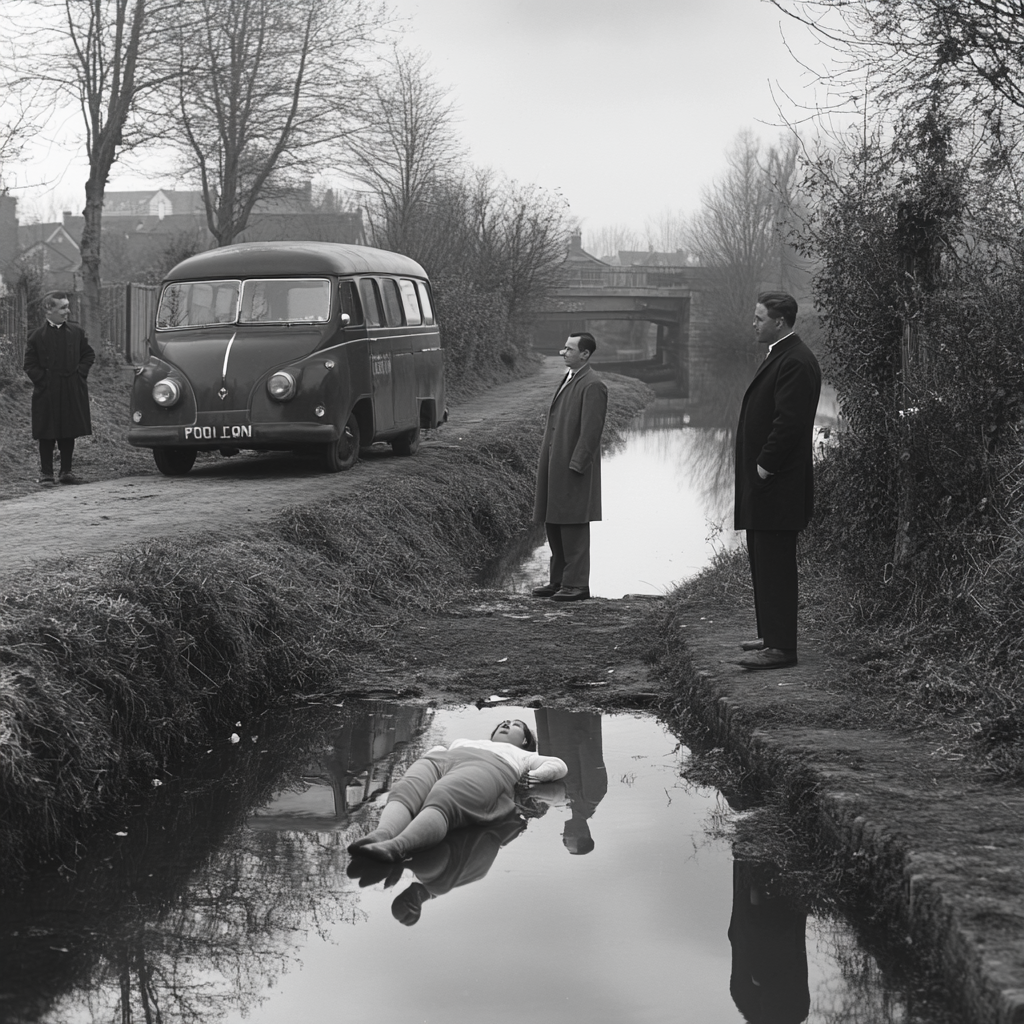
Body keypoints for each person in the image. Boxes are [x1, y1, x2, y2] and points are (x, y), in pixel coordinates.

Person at [733, 293, 821, 670]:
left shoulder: (796, 361)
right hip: (767, 485)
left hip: (777, 484)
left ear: (780, 322)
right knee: (762, 560)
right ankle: (770, 635)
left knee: (777, 565)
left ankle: (783, 649)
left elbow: (790, 423)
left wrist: (764, 467)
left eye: (759, 318)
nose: (753, 323)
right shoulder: (779, 353)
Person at [347, 718, 568, 862]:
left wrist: (534, 776)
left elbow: (558, 766)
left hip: (488, 767)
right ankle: (382, 833)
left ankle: (397, 847)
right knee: (407, 789)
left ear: (525, 740)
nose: (507, 724)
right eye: (504, 722)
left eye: (516, 725)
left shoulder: (522, 755)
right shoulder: (464, 741)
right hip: (441, 760)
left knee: (445, 798)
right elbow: (437, 750)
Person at [532, 332, 608, 602]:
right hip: (555, 463)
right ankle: (559, 581)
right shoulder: (570, 377)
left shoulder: (593, 385)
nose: (563, 352)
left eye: (569, 349)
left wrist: (576, 464)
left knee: (573, 526)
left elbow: (590, 432)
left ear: (585, 354)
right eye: (564, 348)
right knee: (553, 522)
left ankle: (576, 585)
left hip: (573, 468)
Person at [23, 293, 95, 486]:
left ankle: (66, 472)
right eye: (62, 307)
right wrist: (43, 381)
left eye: (67, 306)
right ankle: (47, 473)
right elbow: (29, 364)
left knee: (68, 429)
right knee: (47, 431)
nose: (67, 311)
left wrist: (80, 374)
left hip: (71, 387)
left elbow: (88, 355)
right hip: (47, 391)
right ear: (49, 309)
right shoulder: (36, 336)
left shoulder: (76, 332)